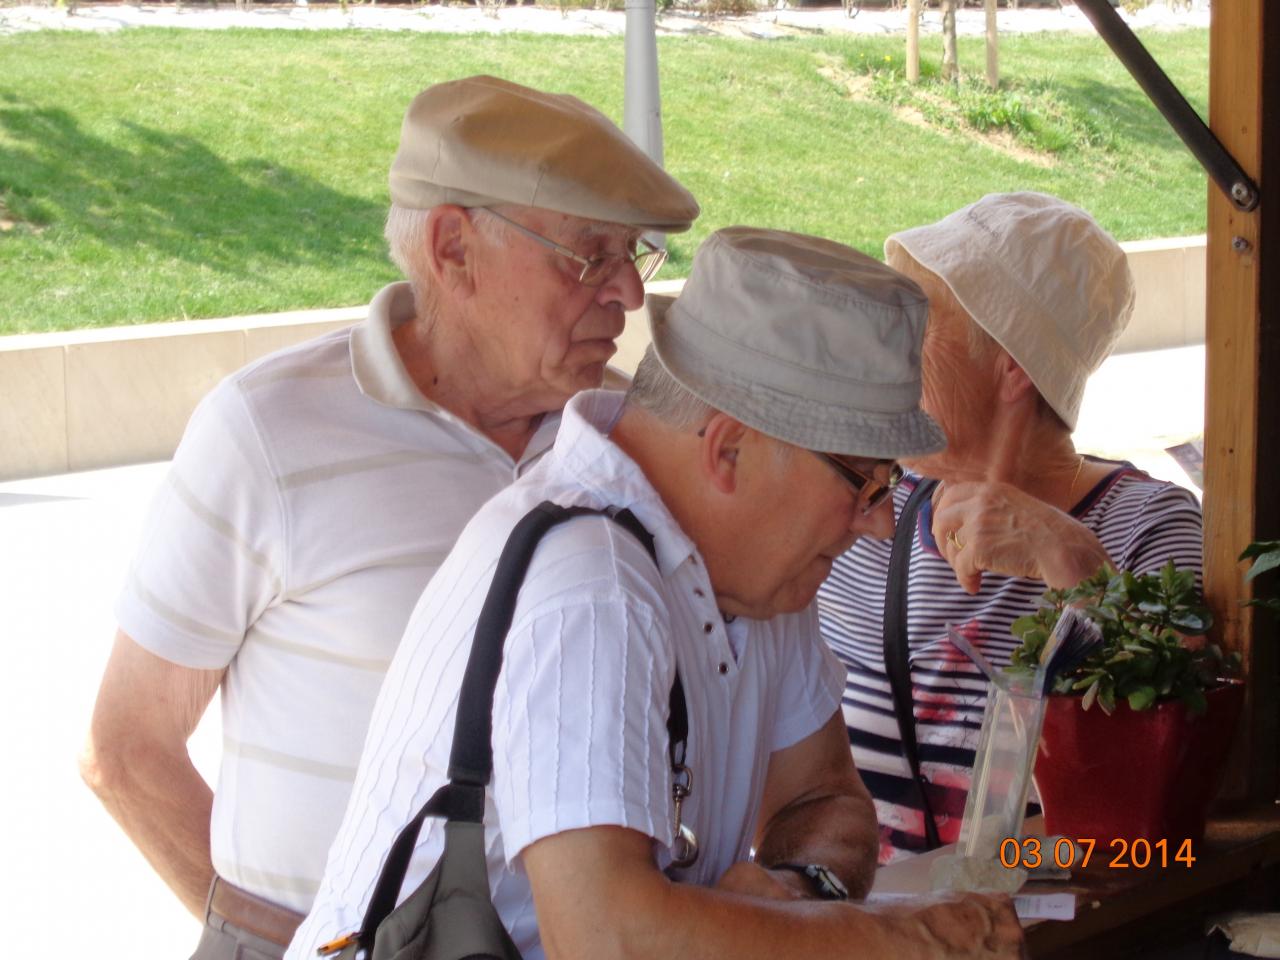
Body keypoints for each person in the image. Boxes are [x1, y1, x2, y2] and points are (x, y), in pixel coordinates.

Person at [79, 74, 699, 959]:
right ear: (453, 247)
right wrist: (279, 940)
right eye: (587, 254)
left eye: (632, 255)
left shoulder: (625, 442)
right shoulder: (268, 429)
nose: (628, 296)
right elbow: (125, 749)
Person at [287, 227, 1026, 960]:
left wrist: (799, 896)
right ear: (728, 449)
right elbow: (607, 939)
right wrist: (888, 940)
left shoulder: (761, 579)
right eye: (864, 480)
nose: (881, 522)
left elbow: (823, 799)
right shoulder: (592, 589)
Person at [817, 192, 1204, 862]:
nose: (887, 345)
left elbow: (1171, 760)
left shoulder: (1148, 527)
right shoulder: (862, 509)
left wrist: (1076, 570)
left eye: (919, 321)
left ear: (1014, 365)